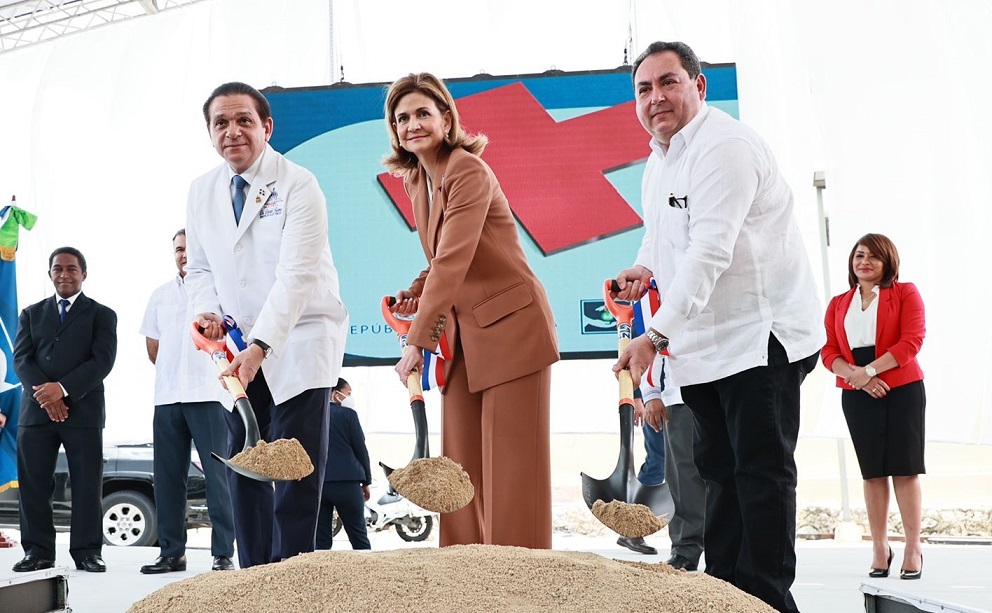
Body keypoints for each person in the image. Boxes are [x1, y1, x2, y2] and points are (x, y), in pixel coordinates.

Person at [613, 41, 824, 613]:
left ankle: (768, 602)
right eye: (644, 88)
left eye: (669, 82)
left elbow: (709, 252)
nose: (656, 97)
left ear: (698, 86)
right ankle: (726, 595)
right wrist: (645, 268)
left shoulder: (725, 147)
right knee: (719, 475)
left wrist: (653, 337)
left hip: (760, 337)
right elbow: (662, 236)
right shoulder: (659, 160)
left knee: (760, 474)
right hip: (704, 345)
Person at [383, 73, 558, 548]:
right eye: (402, 118)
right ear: (394, 130)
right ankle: (462, 573)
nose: (413, 124)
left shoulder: (468, 171)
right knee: (458, 470)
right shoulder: (418, 180)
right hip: (467, 337)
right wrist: (416, 290)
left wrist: (417, 341)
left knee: (512, 472)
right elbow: (442, 259)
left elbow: (454, 260)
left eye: (423, 113)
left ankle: (519, 579)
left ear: (446, 118)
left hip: (513, 330)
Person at [184, 81, 349, 568]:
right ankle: (254, 576)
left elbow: (297, 275)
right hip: (236, 344)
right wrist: (206, 312)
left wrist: (260, 347)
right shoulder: (201, 190)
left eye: (244, 121)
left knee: (295, 468)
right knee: (244, 465)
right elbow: (200, 268)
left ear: (266, 127)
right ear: (210, 132)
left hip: (300, 338)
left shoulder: (299, 183)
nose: (232, 131)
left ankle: (292, 578)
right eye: (221, 123)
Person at [821, 233, 925, 580]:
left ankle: (913, 546)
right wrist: (858, 378)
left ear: (887, 262)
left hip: (902, 388)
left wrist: (869, 372)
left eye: (873, 257)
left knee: (905, 469)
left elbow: (911, 341)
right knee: (872, 471)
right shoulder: (838, 303)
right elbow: (828, 351)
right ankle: (880, 547)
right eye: (859, 255)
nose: (864, 262)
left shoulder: (905, 292)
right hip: (857, 392)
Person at [11, 247, 117, 573]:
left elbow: (102, 361)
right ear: (50, 274)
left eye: (71, 268)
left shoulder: (102, 315)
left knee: (86, 485)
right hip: (35, 414)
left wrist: (63, 390)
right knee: (34, 485)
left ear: (84, 274)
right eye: (58, 269)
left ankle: (87, 552)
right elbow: (21, 360)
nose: (64, 274)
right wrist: (48, 397)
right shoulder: (31, 314)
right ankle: (38, 552)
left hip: (83, 413)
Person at [138, 229, 236, 574]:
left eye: (190, 249)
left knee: (217, 476)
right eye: (179, 249)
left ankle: (223, 553)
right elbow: (153, 348)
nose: (184, 255)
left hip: (208, 395)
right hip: (168, 397)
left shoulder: (219, 293)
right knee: (167, 478)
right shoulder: (160, 295)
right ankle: (171, 553)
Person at [642, 356, 705, 571]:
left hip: (731, 384)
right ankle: (686, 548)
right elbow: (653, 341)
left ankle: (728, 549)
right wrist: (651, 393)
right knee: (683, 476)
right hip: (681, 392)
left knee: (730, 471)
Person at [316, 378, 372, 550]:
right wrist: (367, 481)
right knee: (358, 535)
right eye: (348, 393)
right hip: (348, 481)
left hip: (319, 483)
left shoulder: (312, 415)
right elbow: (360, 449)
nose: (350, 397)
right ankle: (367, 567)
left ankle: (322, 568)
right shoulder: (348, 415)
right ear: (335, 394)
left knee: (321, 539)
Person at [617, 391, 662, 556]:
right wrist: (636, 397)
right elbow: (632, 372)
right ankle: (631, 529)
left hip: (682, 395)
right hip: (654, 398)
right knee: (658, 462)